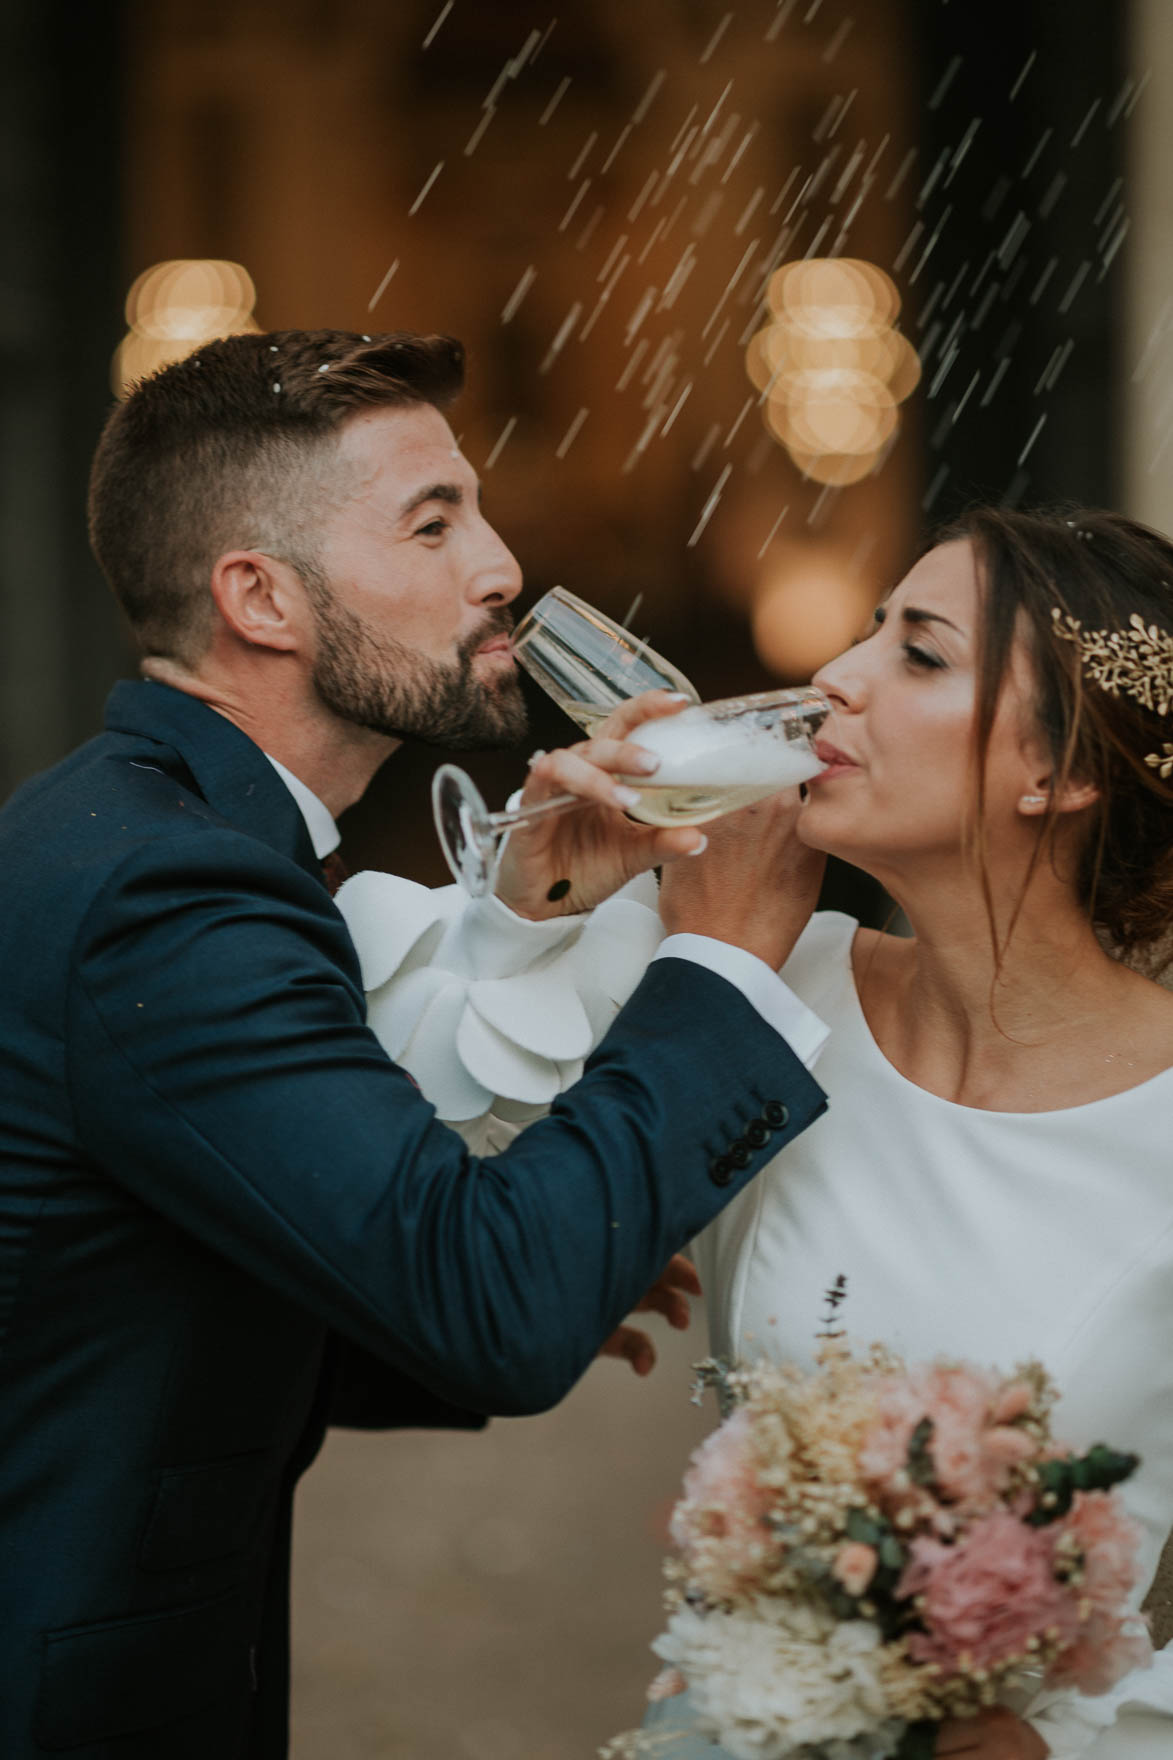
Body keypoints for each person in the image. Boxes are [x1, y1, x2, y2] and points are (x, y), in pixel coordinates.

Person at [0, 328, 835, 1760]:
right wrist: (720, 954)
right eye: (433, 524)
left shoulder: (154, 831)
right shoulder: (171, 894)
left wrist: (424, 1313)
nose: (501, 566)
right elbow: (492, 1303)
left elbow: (122, 1275)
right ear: (260, 597)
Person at [352, 507, 1173, 1759]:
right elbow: (404, 1120)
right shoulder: (758, 992)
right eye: (869, 629)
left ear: (1057, 775)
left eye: (920, 652)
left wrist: (1076, 1740)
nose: (835, 674)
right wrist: (531, 895)